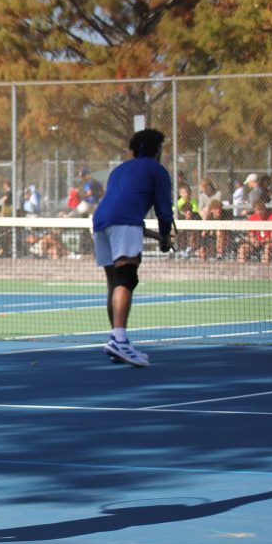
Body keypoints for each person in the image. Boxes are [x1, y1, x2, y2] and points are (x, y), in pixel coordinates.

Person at [91, 128, 174, 368]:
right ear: (157, 149)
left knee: (114, 282)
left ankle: (118, 339)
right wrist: (166, 236)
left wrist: (157, 236)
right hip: (123, 224)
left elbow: (121, 210)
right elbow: (163, 210)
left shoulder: (119, 170)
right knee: (126, 279)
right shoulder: (157, 170)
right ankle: (119, 339)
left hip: (100, 223)